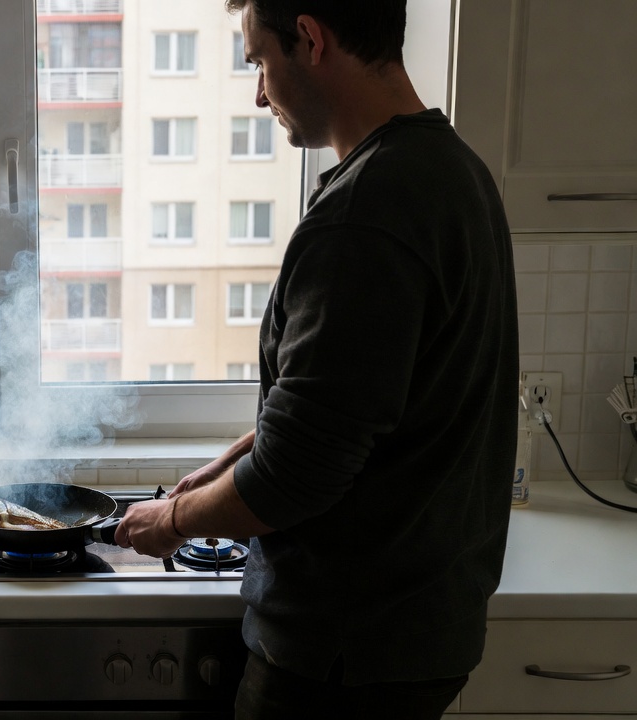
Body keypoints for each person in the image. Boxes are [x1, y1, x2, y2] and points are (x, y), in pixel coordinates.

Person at [113, 0, 519, 717]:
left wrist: (173, 524)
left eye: (260, 61)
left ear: (310, 38)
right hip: (412, 631)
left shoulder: (366, 216)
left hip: (345, 651)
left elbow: (294, 476)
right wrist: (227, 463)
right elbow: (348, 402)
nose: (260, 92)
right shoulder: (451, 170)